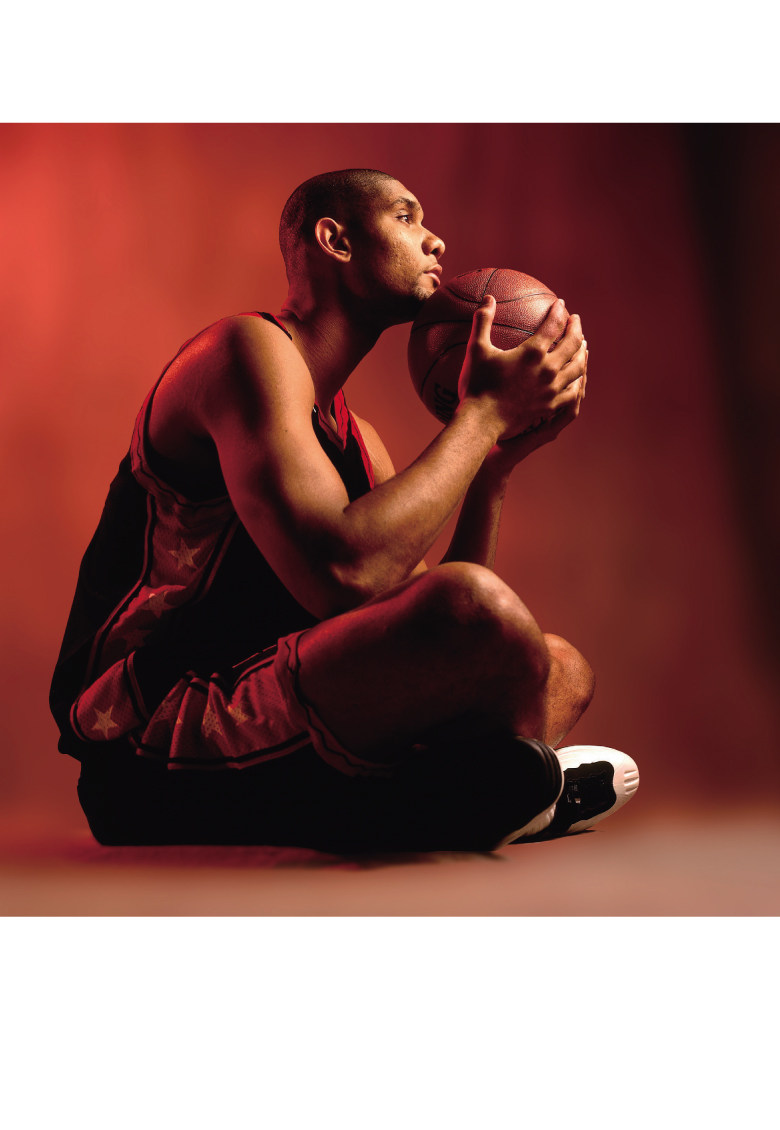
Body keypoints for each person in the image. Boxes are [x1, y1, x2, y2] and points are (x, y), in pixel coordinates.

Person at [50, 168, 638, 853]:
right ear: (335, 240)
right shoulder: (243, 349)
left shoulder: (357, 439)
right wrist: (481, 414)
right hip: (151, 734)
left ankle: (437, 801)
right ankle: (455, 798)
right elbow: (342, 577)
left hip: (275, 709)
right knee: (477, 609)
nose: (436, 241)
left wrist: (494, 466)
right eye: (406, 217)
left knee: (559, 665)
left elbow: (441, 633)